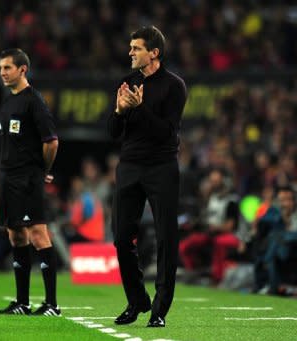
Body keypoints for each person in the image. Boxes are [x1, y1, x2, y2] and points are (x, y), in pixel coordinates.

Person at [107, 26, 187, 327]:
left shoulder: (174, 86)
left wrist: (139, 109)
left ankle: (159, 309)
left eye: (136, 48)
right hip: (129, 166)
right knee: (121, 238)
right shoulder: (127, 83)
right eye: (130, 47)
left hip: (161, 167)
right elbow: (113, 134)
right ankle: (136, 300)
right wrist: (118, 112)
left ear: (154, 53)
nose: (130, 53)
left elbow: (166, 132)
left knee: (167, 236)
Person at [0, 48, 60, 316]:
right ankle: (22, 302)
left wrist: (41, 169)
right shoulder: (8, 102)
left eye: (7, 68)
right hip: (8, 176)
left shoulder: (34, 101)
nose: (2, 73)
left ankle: (52, 304)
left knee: (37, 234)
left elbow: (52, 141)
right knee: (16, 235)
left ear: (23, 69)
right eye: (0, 68)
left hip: (27, 177)